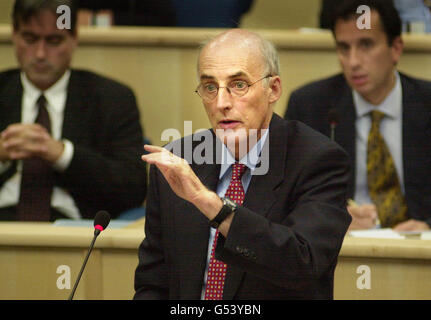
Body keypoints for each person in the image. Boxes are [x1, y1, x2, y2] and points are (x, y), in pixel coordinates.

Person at [134, 29, 351, 300]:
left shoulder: (317, 160)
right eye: (210, 87)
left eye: (238, 85)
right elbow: (153, 283)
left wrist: (211, 204)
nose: (222, 103)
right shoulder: (177, 161)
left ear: (272, 89)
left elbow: (302, 263)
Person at [285, 0, 431, 231]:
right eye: (344, 48)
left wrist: (428, 227)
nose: (353, 62)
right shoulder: (310, 106)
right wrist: (332, 219)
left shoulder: (427, 101)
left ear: (396, 48)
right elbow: (289, 198)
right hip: (343, 248)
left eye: (366, 45)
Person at [0, 0, 147, 221]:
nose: (40, 54)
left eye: (54, 40)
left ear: (74, 38)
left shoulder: (112, 98)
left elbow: (133, 188)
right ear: (14, 35)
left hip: (74, 231)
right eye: (30, 39)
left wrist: (63, 155)